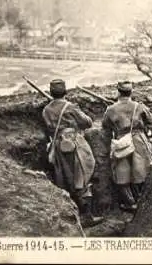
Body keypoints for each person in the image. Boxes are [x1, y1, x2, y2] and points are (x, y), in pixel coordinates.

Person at [42, 79, 104, 228]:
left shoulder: (46, 110)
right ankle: (87, 217)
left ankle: (70, 217)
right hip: (74, 144)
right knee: (83, 176)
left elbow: (48, 128)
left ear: (51, 93)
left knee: (64, 179)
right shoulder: (70, 107)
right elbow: (87, 122)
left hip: (58, 146)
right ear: (65, 92)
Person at [102, 81, 152, 211]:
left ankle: (130, 203)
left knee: (122, 173)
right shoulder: (139, 106)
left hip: (121, 142)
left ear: (118, 92)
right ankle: (143, 200)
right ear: (131, 92)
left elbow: (105, 127)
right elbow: (151, 121)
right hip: (139, 140)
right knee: (142, 170)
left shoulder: (111, 109)